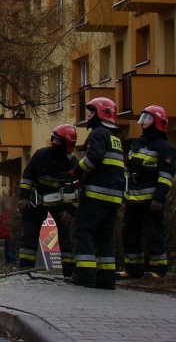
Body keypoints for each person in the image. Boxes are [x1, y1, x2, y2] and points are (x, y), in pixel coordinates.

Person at [64, 97, 125, 289]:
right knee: (105, 237)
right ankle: (106, 279)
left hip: (97, 196)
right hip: (113, 197)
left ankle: (85, 274)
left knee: (81, 230)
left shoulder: (98, 134)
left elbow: (94, 158)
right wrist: (81, 181)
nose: (89, 115)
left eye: (92, 111)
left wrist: (76, 171)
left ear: (101, 114)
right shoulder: (115, 138)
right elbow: (107, 168)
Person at [119, 105, 175, 279]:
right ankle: (133, 268)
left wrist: (158, 199)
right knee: (129, 231)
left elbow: (166, 176)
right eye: (143, 118)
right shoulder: (138, 143)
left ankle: (158, 269)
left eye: (148, 118)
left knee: (153, 233)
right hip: (133, 198)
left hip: (151, 200)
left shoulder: (164, 147)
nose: (143, 122)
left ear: (158, 122)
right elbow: (128, 170)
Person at [17, 124, 78, 276]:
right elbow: (27, 177)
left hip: (62, 206)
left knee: (67, 238)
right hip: (37, 201)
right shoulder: (41, 155)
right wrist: (23, 198)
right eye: (54, 140)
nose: (54, 143)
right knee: (29, 235)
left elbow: (79, 191)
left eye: (58, 141)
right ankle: (26, 270)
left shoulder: (73, 164)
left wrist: (71, 212)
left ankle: (69, 273)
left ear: (67, 144)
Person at [0, 196, 17, 265]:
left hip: (10, 236)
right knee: (7, 249)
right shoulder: (6, 214)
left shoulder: (10, 214)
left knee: (10, 249)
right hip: (7, 235)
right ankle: (9, 261)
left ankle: (12, 261)